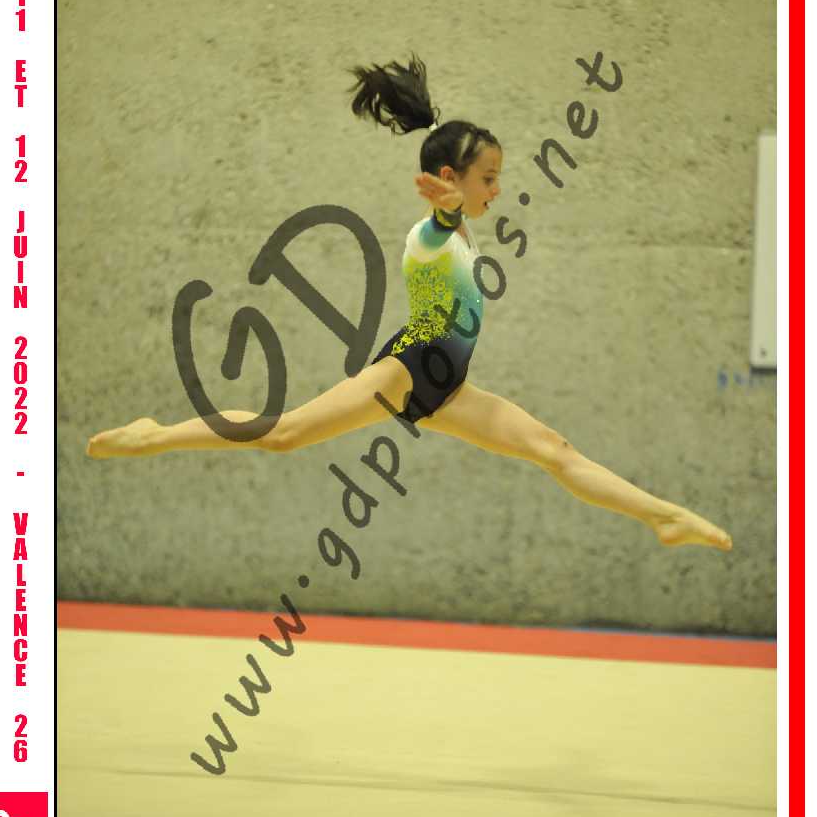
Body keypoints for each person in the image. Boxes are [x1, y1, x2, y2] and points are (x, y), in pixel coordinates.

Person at [87, 54, 732, 551]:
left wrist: (458, 213)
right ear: (449, 180)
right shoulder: (430, 237)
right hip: (408, 367)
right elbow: (436, 231)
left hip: (447, 385)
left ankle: (662, 518)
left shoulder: (463, 233)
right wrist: (446, 213)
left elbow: (456, 229)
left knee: (552, 448)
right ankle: (155, 435)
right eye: (488, 179)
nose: (497, 190)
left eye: (499, 179)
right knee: (283, 434)